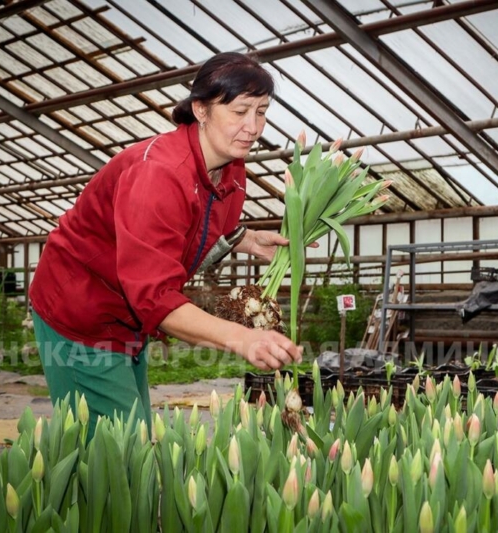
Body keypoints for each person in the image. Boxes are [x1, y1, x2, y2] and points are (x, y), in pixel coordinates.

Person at [30, 52, 303, 439]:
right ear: (201, 109)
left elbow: (194, 222)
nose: (253, 127)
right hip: (81, 313)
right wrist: (244, 337)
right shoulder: (157, 174)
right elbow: (154, 295)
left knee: (129, 436)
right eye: (240, 111)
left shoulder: (231, 168)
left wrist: (244, 238)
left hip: (129, 320)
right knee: (116, 452)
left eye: (261, 111)